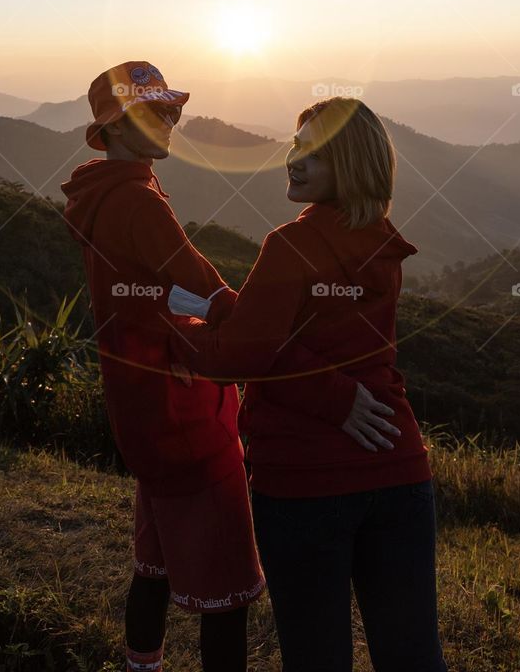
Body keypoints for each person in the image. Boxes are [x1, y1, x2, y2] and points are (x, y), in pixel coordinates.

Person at [61, 64, 398, 672]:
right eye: (151, 112)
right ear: (114, 127)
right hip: (184, 411)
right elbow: (209, 293)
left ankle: (143, 663)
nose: (170, 121)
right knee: (227, 596)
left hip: (138, 407)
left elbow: (146, 297)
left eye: (169, 109)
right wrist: (268, 336)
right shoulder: (137, 199)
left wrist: (179, 309)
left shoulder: (100, 193)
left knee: (155, 560)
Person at [169, 95, 449, 672]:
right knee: (413, 654)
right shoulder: (383, 244)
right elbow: (297, 338)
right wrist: (236, 314)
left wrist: (175, 326)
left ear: (347, 163)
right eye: (296, 145)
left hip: (306, 483)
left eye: (314, 152)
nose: (293, 159)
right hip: (398, 469)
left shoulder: (289, 245)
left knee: (316, 655)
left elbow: (240, 358)